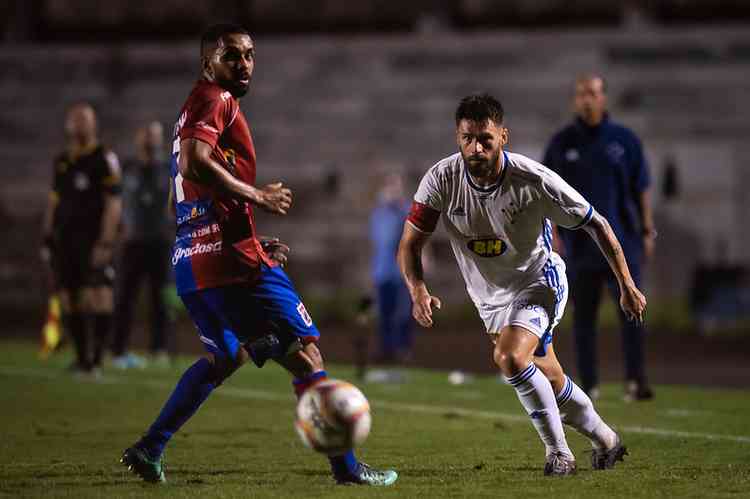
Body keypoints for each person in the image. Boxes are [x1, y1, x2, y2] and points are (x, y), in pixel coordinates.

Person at [120, 24, 397, 487]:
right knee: (307, 355)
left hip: (193, 260)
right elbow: (193, 163)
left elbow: (180, 197)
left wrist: (241, 231)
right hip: (230, 263)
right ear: (208, 61)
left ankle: (151, 447)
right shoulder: (214, 99)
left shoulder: (193, 107)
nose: (243, 64)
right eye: (232, 55)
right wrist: (257, 199)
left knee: (222, 358)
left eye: (249, 55)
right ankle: (347, 470)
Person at [398, 94, 646, 475]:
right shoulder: (441, 179)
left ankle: (559, 453)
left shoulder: (534, 180)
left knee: (511, 358)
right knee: (549, 376)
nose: (476, 148)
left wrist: (627, 284)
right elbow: (410, 243)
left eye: (486, 139)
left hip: (539, 281)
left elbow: (597, 223)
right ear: (457, 138)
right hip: (491, 299)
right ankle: (606, 439)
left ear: (504, 137)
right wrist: (417, 290)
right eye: (467, 139)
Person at [543, 74, 655, 401]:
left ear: (604, 97)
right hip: (579, 248)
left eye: (592, 93)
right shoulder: (562, 143)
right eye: (581, 94)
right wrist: (554, 233)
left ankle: (636, 381)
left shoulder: (625, 140)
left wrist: (647, 230)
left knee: (633, 311)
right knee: (583, 320)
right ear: (575, 100)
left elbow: (642, 188)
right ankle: (589, 384)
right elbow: (544, 192)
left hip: (623, 244)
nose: (587, 99)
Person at [40, 103, 122, 377]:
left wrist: (106, 241)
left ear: (94, 124)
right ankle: (81, 358)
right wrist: (47, 235)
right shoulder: (62, 160)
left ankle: (97, 359)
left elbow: (113, 202)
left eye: (85, 119)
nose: (80, 124)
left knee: (99, 295)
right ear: (68, 125)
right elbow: (54, 201)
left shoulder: (104, 158)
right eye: (75, 119)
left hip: (93, 238)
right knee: (69, 297)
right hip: (65, 240)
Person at [111, 121, 172, 369]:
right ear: (138, 138)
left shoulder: (169, 169)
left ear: (160, 139)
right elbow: (116, 203)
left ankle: (159, 350)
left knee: (160, 299)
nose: (150, 139)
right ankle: (118, 350)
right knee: (125, 296)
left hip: (160, 241)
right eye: (146, 134)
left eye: (154, 135)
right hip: (132, 242)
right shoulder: (127, 168)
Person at [369, 173, 414, 366]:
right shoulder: (378, 214)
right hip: (383, 270)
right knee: (385, 312)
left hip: (402, 270)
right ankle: (387, 349)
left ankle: (403, 349)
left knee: (403, 312)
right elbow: (378, 243)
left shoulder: (406, 211)